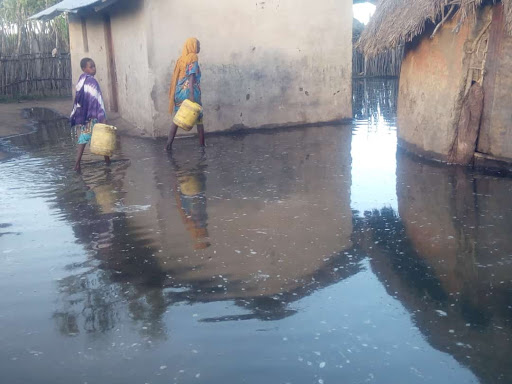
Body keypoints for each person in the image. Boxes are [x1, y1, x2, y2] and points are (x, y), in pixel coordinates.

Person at [70, 57, 109, 172]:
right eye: (90, 67)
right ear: (84, 69)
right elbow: (97, 100)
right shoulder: (92, 82)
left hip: (85, 115)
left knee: (86, 138)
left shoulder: (82, 80)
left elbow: (81, 99)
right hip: (95, 114)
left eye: (94, 66)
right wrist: (102, 116)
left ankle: (78, 164)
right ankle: (107, 163)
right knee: (103, 137)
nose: (93, 68)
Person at [166, 37, 205, 150]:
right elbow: (191, 76)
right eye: (198, 45)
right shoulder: (193, 57)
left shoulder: (181, 59)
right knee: (199, 119)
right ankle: (202, 146)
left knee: (177, 119)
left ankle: (168, 145)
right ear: (192, 46)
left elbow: (178, 77)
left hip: (179, 93)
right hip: (190, 92)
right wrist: (192, 95)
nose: (199, 47)